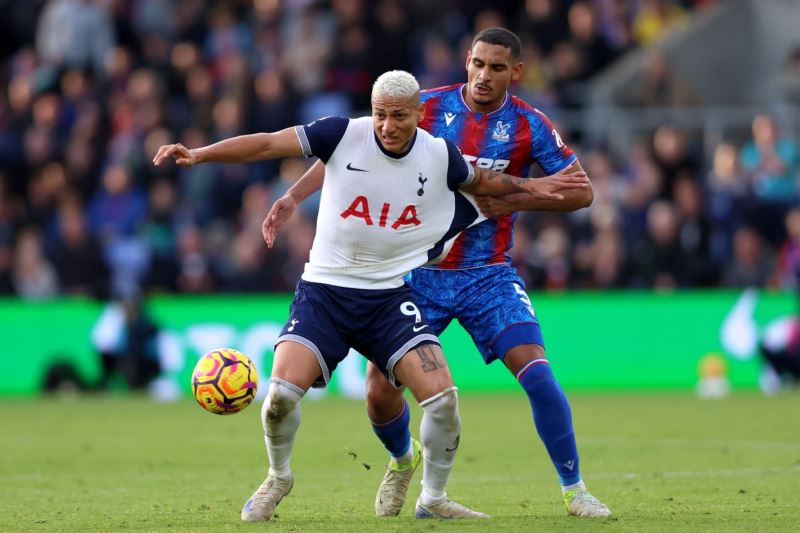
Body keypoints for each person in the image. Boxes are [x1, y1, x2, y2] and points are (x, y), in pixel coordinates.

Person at [154, 69, 589, 522]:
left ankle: (433, 497)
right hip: (324, 293)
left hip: (387, 298)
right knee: (281, 395)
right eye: (380, 114)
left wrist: (545, 189)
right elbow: (266, 144)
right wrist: (201, 154)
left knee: (443, 401)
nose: (387, 125)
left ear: (420, 115)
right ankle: (278, 476)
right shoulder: (342, 133)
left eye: (399, 116)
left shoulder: (440, 156)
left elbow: (493, 186)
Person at [263, 28, 611, 518]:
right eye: (478, 64)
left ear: (517, 72)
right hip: (415, 272)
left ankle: (575, 491)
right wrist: (295, 197)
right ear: (466, 62)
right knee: (379, 396)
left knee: (536, 370)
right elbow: (345, 150)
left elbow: (580, 191)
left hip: (487, 273)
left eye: (496, 67)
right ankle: (402, 463)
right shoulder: (422, 107)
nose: (484, 75)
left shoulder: (531, 126)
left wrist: (517, 195)